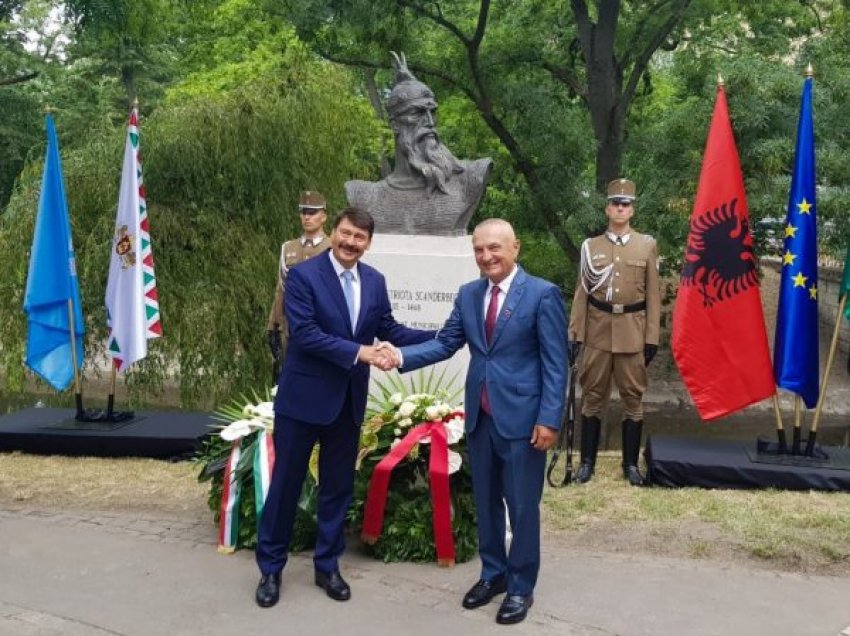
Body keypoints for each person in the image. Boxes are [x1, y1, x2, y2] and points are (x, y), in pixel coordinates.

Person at [383, 219, 568, 625]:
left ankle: (520, 586)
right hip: (481, 419)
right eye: (479, 250)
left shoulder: (542, 294)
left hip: (524, 422)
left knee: (521, 508)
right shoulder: (468, 295)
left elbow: (557, 365)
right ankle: (492, 574)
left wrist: (550, 419)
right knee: (485, 503)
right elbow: (446, 343)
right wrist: (398, 357)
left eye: (495, 248)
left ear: (515, 247)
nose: (487, 257)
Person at [254, 207, 435, 608]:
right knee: (286, 486)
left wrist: (445, 334)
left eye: (360, 238)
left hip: (347, 404)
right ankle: (270, 569)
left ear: (369, 243)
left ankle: (327, 565)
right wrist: (363, 353)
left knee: (337, 488)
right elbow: (305, 335)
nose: (351, 243)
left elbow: (389, 330)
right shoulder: (303, 276)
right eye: (346, 233)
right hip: (302, 403)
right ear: (334, 232)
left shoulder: (374, 281)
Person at [568, 178, 661, 486]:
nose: (621, 208)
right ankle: (587, 463)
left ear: (632, 210)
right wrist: (575, 334)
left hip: (632, 334)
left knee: (633, 398)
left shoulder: (646, 245)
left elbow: (653, 296)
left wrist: (651, 337)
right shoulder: (590, 247)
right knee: (592, 397)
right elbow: (582, 294)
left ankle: (630, 464)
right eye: (616, 203)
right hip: (596, 332)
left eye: (626, 204)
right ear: (607, 208)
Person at [345, 52, 491, 235]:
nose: (430, 122)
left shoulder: (470, 179)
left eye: (432, 113)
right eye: (417, 113)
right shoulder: (365, 196)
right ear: (395, 124)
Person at [266, 190, 330, 372]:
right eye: (303, 212)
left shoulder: (333, 247)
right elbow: (281, 288)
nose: (307, 217)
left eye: (312, 213)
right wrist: (273, 325)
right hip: (290, 326)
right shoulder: (288, 248)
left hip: (322, 326)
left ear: (323, 216)